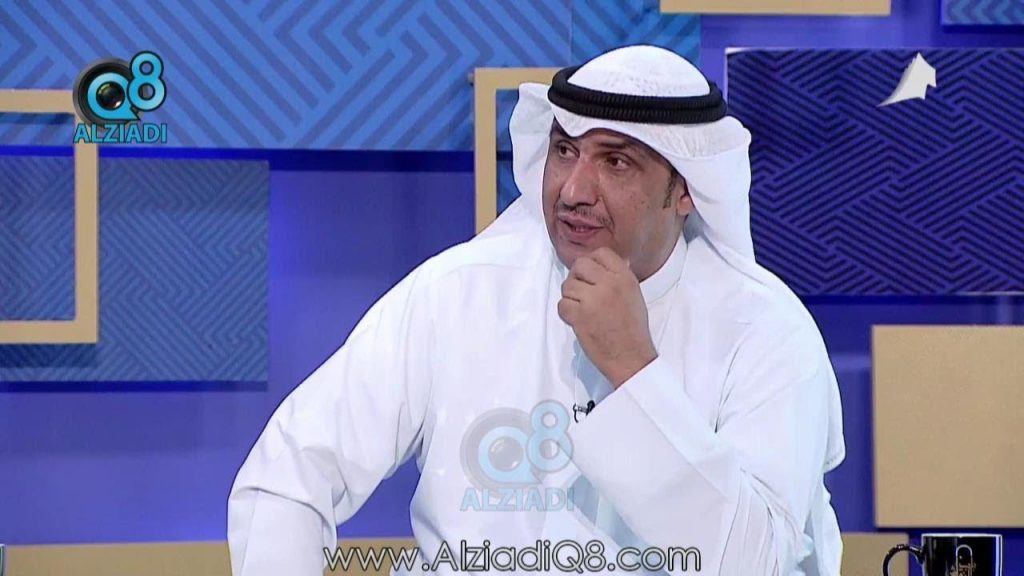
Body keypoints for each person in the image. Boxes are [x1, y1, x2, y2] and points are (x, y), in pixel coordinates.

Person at [228, 44, 845, 576]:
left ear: (685, 189)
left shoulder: (765, 331)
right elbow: (285, 479)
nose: (573, 191)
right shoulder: (457, 293)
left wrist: (634, 370)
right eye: (564, 151)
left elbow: (756, 560)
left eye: (616, 161)